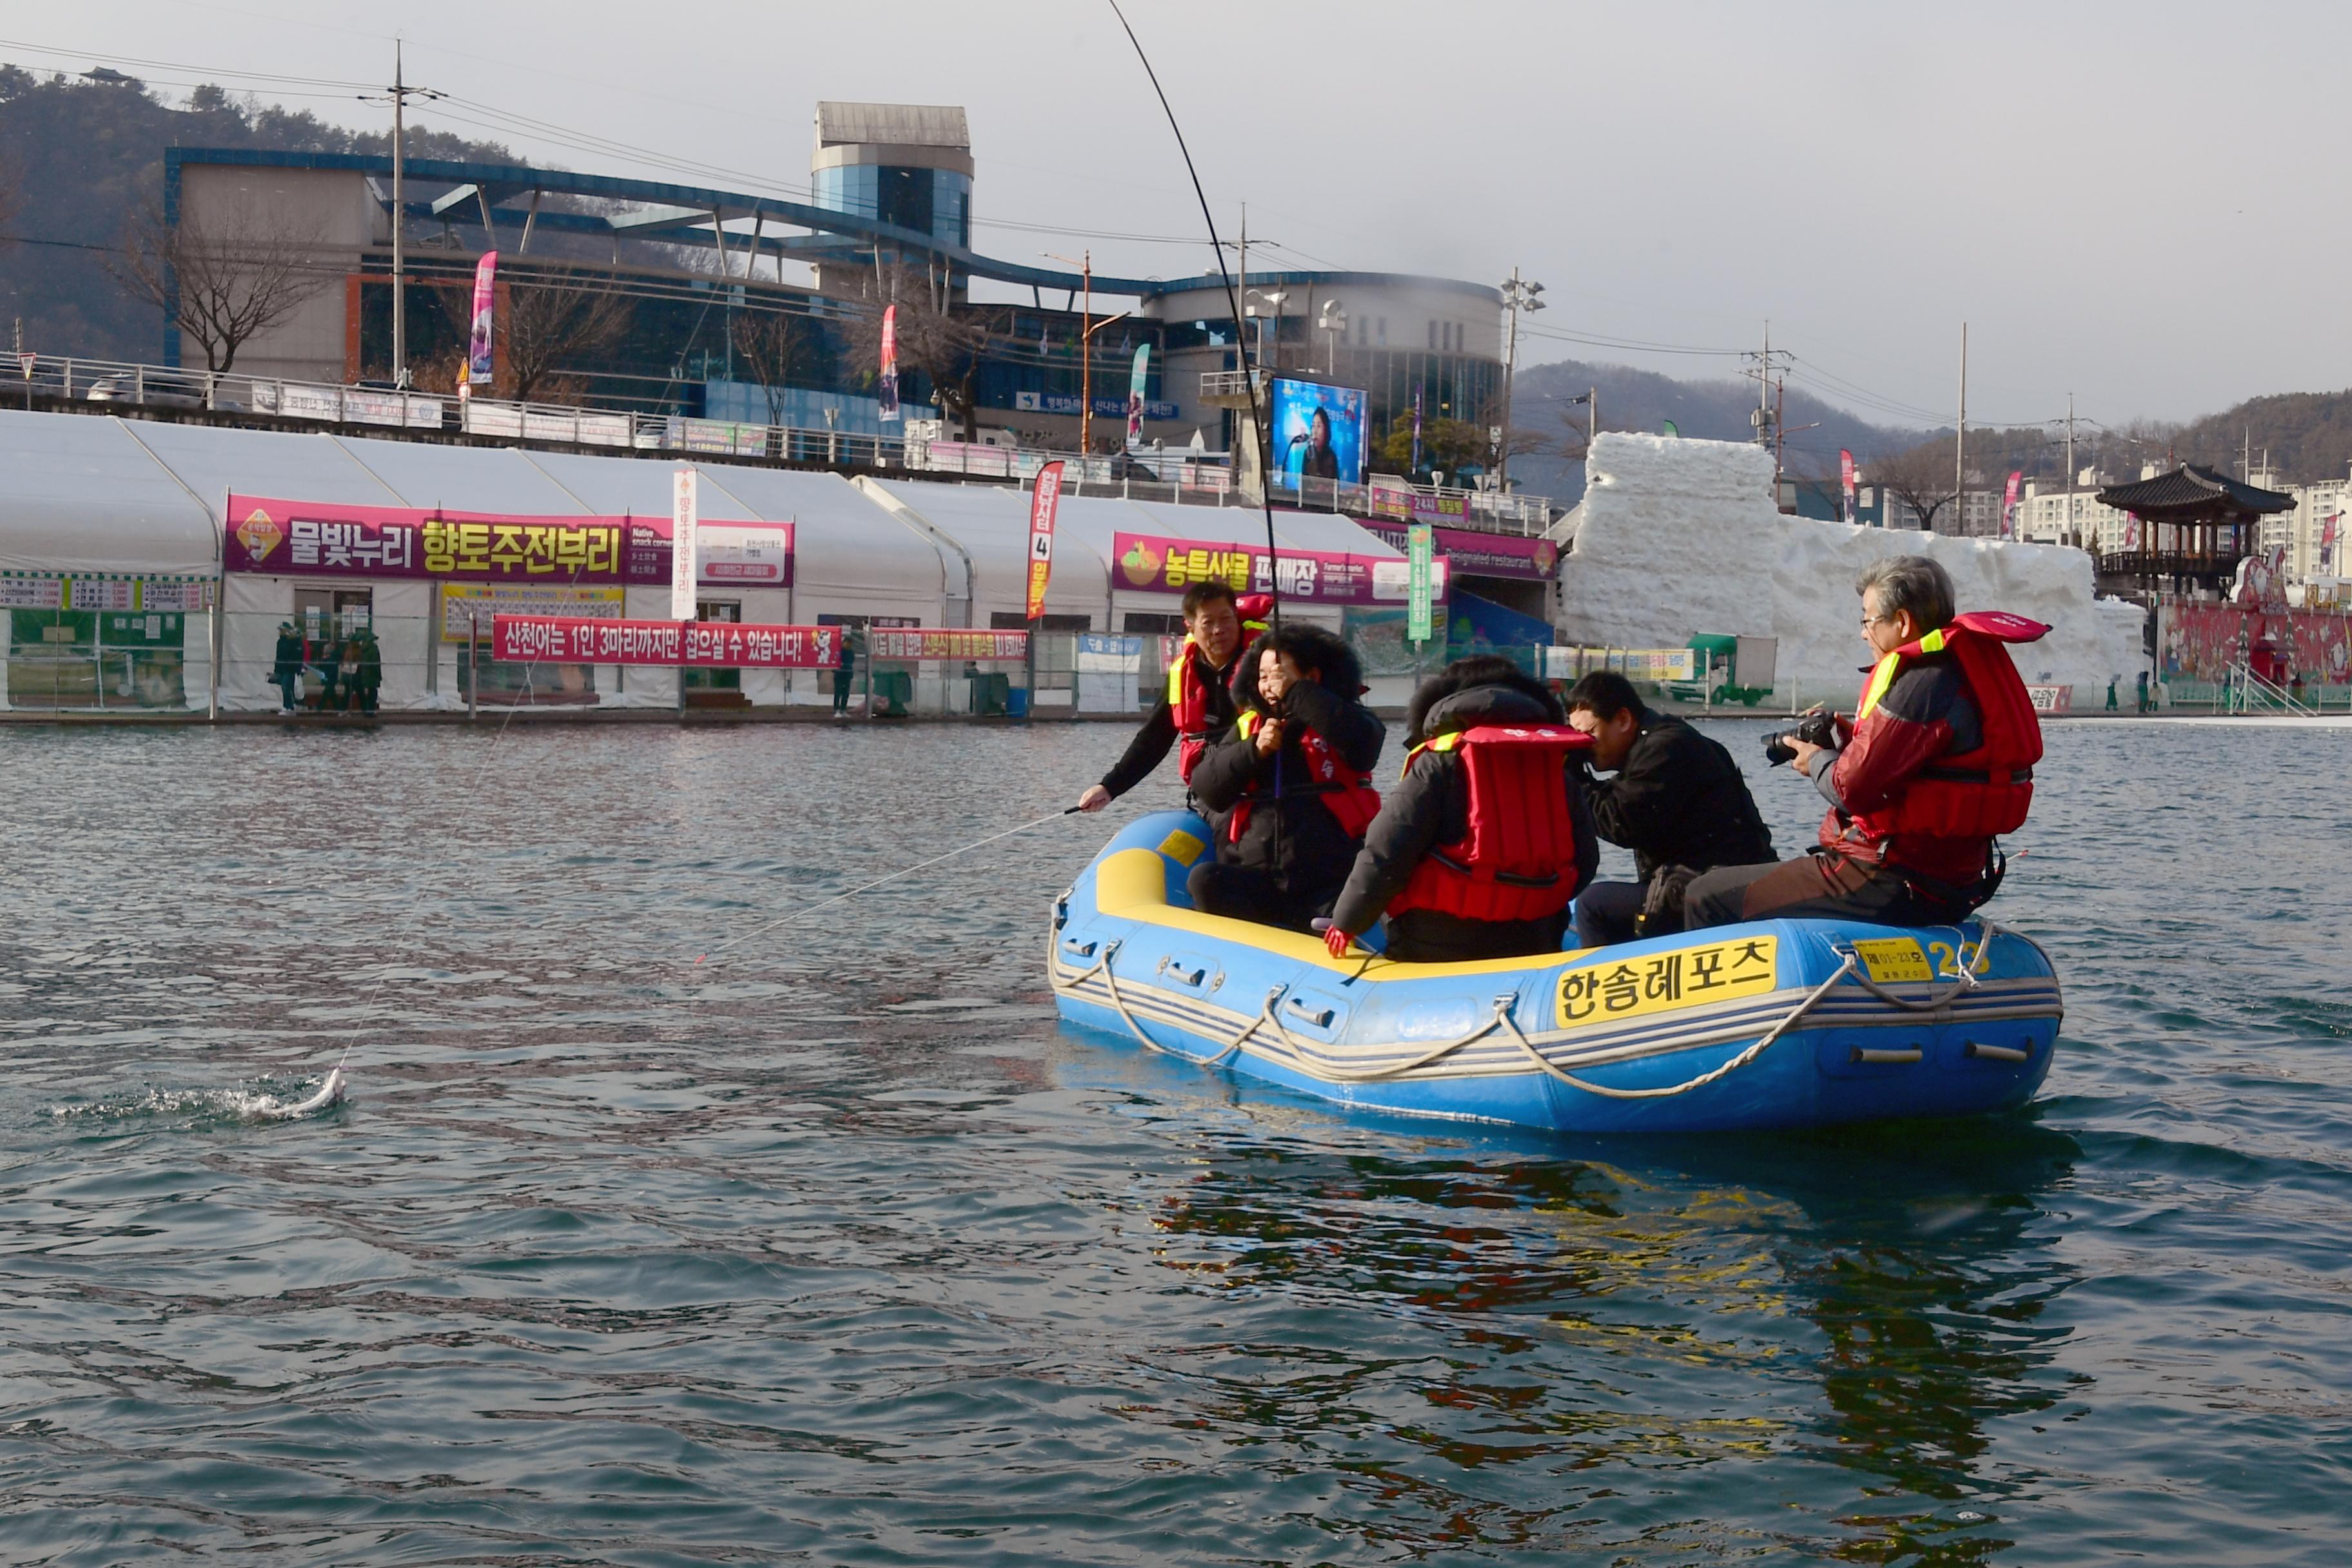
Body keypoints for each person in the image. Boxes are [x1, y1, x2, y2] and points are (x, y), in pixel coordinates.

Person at [1683, 555, 2048, 930]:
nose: (1863, 633)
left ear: (1903, 622)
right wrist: (1847, 746)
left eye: (1867, 620)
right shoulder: (1957, 669)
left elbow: (1850, 788)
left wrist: (1817, 759)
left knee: (1705, 895)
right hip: (1955, 880)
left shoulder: (1922, 682)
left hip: (1895, 879)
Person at [1326, 656, 1598, 963]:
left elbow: (1387, 850)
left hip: (1437, 940)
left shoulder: (1439, 761)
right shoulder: (1553, 767)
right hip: (1534, 936)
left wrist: (1347, 922)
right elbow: (1586, 860)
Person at [1187, 623, 1384, 932]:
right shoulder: (1249, 727)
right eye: (1262, 676)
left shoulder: (1347, 718)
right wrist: (1253, 750)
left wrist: (1297, 694)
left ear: (1312, 678)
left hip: (1328, 882)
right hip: (1259, 877)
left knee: (1355, 903)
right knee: (1205, 880)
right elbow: (1207, 787)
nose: (1268, 685)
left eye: (1277, 675)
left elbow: (1364, 746)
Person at [1562, 670, 1774, 947]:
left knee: (1593, 905)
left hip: (1716, 886)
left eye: (1590, 734)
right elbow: (1620, 802)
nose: (1584, 746)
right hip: (1717, 879)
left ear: (1624, 719)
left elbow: (1621, 822)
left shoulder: (1665, 749)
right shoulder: (1668, 739)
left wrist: (1571, 777)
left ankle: (1602, 985)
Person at [1076, 581, 1272, 812]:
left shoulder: (1267, 665)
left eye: (1226, 619)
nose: (1219, 630)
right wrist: (1109, 787)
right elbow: (1155, 738)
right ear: (1190, 627)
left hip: (1262, 789)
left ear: (1236, 617)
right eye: (1208, 622)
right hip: (1211, 791)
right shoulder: (1183, 674)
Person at [1295, 407, 1340, 483]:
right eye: (1313, 426)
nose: (1315, 431)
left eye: (1319, 426)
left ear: (1326, 430)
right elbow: (1304, 484)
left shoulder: (1331, 456)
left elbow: (1335, 486)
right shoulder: (1308, 454)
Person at [271, 622, 304, 714]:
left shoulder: (294, 641)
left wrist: (298, 669)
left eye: (282, 630)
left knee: (287, 687)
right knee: (285, 687)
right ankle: (288, 706)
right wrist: (276, 670)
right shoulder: (281, 641)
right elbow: (278, 656)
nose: (281, 632)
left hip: (290, 668)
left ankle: (289, 707)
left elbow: (298, 655)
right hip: (283, 668)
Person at [349, 627, 382, 715]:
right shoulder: (373, 649)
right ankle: (370, 711)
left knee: (368, 693)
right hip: (373, 674)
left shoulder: (363, 649)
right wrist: (379, 675)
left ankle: (367, 710)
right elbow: (376, 663)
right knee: (373, 693)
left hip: (365, 674)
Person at [832, 623, 860, 718]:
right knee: (838, 692)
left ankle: (844, 709)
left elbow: (852, 661)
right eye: (847, 642)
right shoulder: (839, 651)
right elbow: (835, 661)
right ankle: (836, 710)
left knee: (845, 693)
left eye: (850, 643)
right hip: (839, 674)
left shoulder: (851, 652)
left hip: (847, 674)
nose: (848, 644)